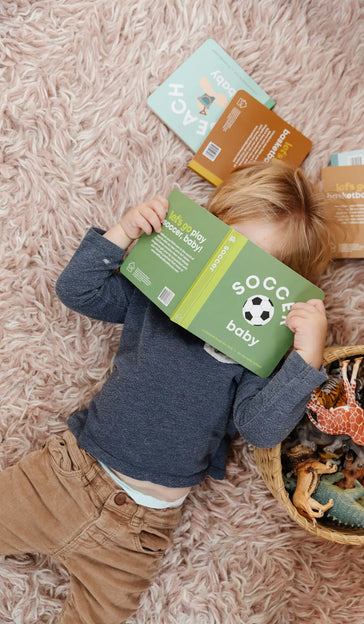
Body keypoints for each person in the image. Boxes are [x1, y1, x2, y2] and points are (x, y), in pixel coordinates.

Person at [0, 160, 340, 624]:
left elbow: (260, 430)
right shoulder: (160, 295)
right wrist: (122, 233)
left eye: (263, 266)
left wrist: (306, 359)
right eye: (234, 248)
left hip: (138, 531)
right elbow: (77, 291)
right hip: (66, 477)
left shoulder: (257, 351)